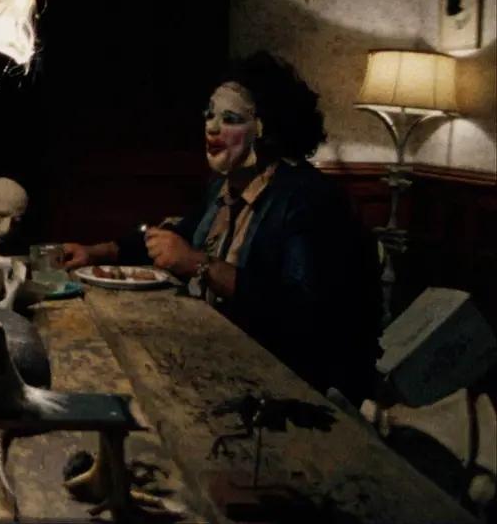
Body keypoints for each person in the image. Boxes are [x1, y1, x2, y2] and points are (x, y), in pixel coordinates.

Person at [63, 52, 380, 402]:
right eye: (209, 115)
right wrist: (96, 252)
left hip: (285, 384)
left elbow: (300, 312)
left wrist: (200, 264)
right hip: (218, 358)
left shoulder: (306, 197)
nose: (212, 128)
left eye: (230, 119)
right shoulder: (224, 186)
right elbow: (176, 239)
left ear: (266, 130)